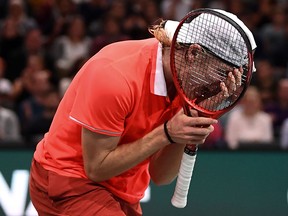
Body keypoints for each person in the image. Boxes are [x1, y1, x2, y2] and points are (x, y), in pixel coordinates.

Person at [29, 9, 256, 215]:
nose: (222, 86)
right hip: (69, 178)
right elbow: (96, 168)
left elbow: (161, 176)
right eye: (221, 73)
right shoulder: (115, 76)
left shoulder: (192, 87)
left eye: (233, 78)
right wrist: (167, 133)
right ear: (193, 54)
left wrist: (194, 121)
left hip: (122, 191)